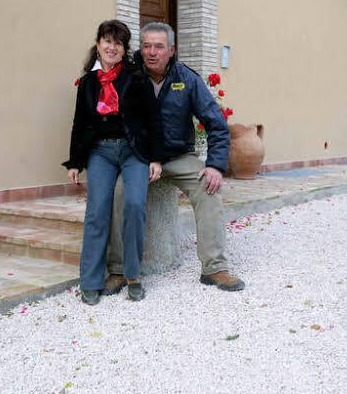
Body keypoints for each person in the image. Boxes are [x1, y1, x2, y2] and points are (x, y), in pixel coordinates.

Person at [105, 21, 245, 294]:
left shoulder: (187, 79)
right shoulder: (129, 76)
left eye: (159, 46)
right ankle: (119, 269)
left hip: (179, 156)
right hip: (140, 157)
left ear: (171, 50)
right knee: (120, 192)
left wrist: (215, 166)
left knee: (208, 188)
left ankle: (214, 267)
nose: (152, 52)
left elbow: (216, 123)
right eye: (147, 46)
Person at [62, 20, 163, 305]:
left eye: (118, 43)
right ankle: (91, 281)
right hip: (101, 153)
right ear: (98, 45)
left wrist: (156, 158)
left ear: (123, 49)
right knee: (97, 211)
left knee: (134, 205)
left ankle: (132, 275)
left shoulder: (137, 78)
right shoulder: (87, 83)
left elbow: (153, 120)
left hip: (133, 152)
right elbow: (79, 124)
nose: (112, 47)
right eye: (107, 41)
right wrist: (75, 162)